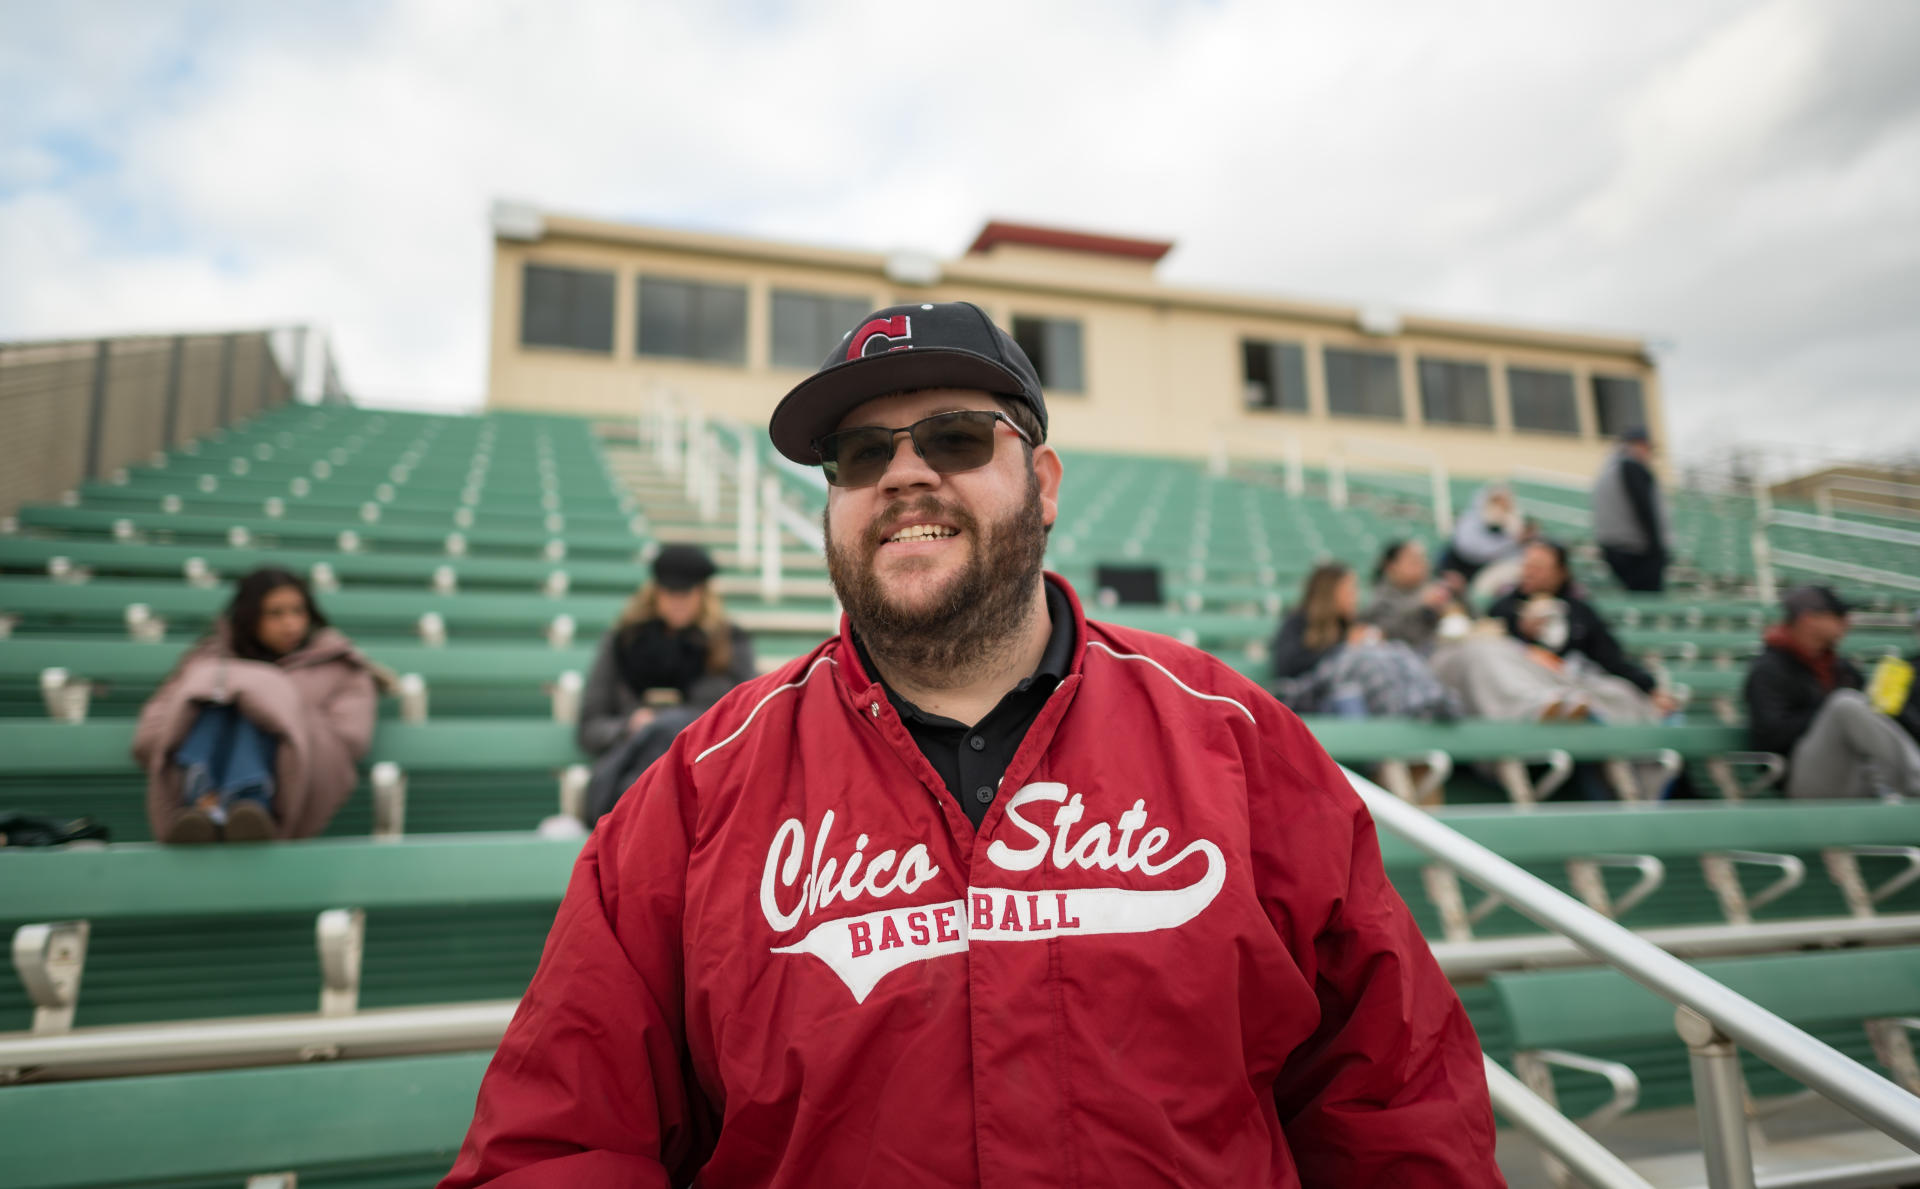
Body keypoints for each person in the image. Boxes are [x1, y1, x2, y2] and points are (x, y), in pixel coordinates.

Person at [443, 302, 1501, 1186]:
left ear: (1041, 481)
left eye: (954, 436)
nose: (905, 474)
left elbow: (1396, 1105)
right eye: (863, 453)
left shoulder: (1231, 735)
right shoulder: (700, 786)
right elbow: (560, 1142)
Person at [131, 566, 379, 842]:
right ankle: (206, 807)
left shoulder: (339, 664)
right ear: (250, 617)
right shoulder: (209, 659)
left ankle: (247, 805)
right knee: (218, 698)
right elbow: (151, 733)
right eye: (275, 613)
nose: (291, 624)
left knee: (255, 702)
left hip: (296, 776)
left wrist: (277, 706)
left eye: (298, 611)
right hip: (208, 757)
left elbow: (351, 737)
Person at [576, 543, 756, 825]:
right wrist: (630, 726)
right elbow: (590, 727)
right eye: (669, 591)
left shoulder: (728, 643)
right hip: (635, 773)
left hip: (702, 776)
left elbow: (748, 722)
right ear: (655, 591)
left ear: (702, 594)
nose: (677, 600)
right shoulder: (622, 641)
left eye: (686, 592)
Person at [1744, 586, 1920, 798]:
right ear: (1809, 619)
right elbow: (1771, 735)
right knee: (1843, 704)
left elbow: (1874, 709)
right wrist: (1826, 709)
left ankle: (1908, 781)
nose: (1847, 622)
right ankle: (1915, 780)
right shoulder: (1770, 668)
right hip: (1801, 778)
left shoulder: (1839, 667)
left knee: (1860, 703)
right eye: (1838, 616)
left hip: (1855, 771)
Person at [1483, 539, 1679, 724]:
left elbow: (1611, 659)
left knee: (1620, 693)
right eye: (1527, 566)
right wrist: (1521, 629)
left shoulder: (1580, 612)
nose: (1530, 573)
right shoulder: (1503, 609)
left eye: (1539, 568)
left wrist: (1649, 687)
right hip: (1527, 683)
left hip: (1573, 682)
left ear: (1561, 572)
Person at [1267, 561, 1458, 719]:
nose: (1355, 596)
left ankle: (1431, 700)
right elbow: (1287, 667)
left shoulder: (1351, 624)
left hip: (1355, 690)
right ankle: (1408, 716)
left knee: (1396, 650)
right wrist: (1343, 647)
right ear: (1330, 592)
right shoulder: (1298, 621)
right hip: (1313, 692)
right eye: (1349, 590)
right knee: (1359, 673)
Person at [1592, 426, 1669, 593]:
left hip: (1616, 548)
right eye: (1648, 448)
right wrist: (1658, 551)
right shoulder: (1631, 466)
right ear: (1639, 445)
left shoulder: (1609, 469)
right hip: (1637, 551)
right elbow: (1645, 509)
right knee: (1648, 601)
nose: (1649, 454)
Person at [1363, 538, 1462, 652]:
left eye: (1423, 559)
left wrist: (1459, 594)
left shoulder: (1429, 587)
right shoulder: (1380, 596)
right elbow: (1383, 631)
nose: (1421, 565)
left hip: (1440, 648)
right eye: (1413, 561)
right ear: (1391, 566)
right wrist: (1421, 604)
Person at [1438, 482, 1523, 585]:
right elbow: (1468, 548)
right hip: (1455, 567)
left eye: (1503, 503)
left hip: (1483, 576)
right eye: (1496, 501)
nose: (1499, 507)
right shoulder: (1471, 518)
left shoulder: (1513, 527)